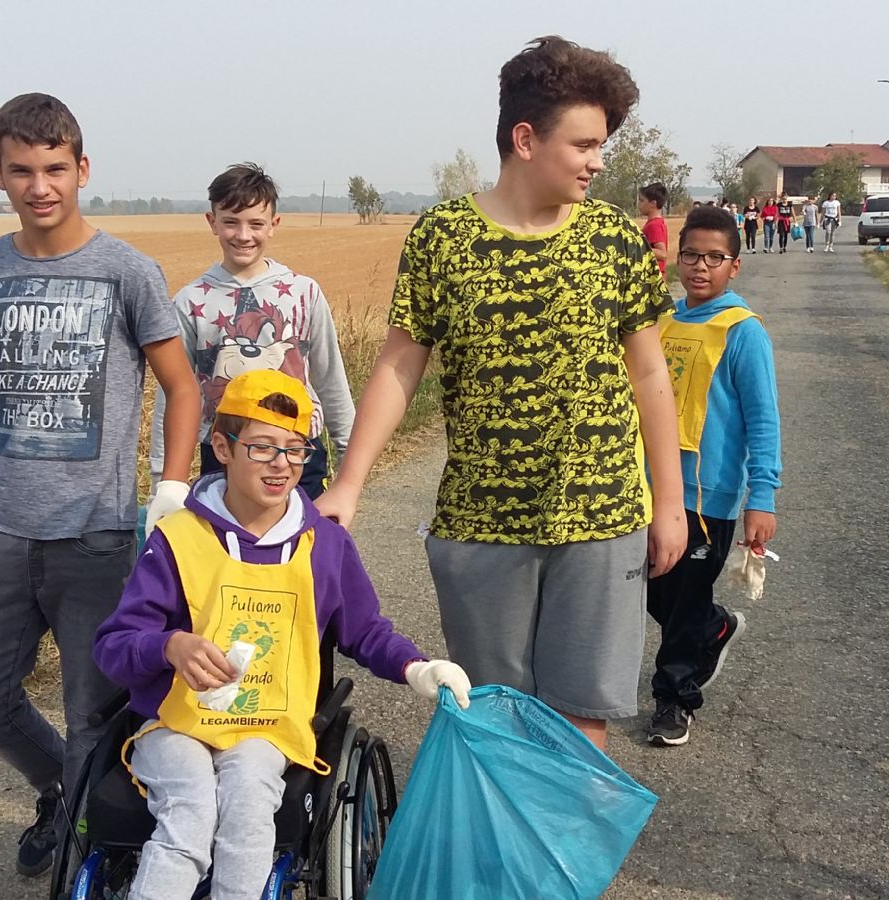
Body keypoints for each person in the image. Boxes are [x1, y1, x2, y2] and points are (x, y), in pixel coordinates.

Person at [316, 35, 687, 752]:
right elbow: (399, 366)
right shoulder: (443, 238)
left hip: (602, 515)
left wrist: (668, 504)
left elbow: (650, 375)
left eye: (601, 145)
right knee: (493, 715)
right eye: (583, 144)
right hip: (481, 522)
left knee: (581, 718)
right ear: (525, 139)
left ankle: (561, 836)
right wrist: (350, 484)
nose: (598, 161)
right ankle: (502, 832)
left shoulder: (614, 239)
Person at [0, 92, 202, 877]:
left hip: (96, 535)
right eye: (22, 170)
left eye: (54, 168)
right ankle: (57, 790)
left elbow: (181, 386)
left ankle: (86, 847)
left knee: (93, 713)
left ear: (82, 169)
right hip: (1, 530)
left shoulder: (127, 271)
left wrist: (172, 486)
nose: (39, 186)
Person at [95, 369, 471, 900]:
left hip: (267, 727)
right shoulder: (177, 539)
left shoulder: (324, 544)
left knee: (250, 808)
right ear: (222, 448)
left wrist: (418, 667)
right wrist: (169, 645)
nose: (282, 465)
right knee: (190, 814)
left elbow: (364, 630)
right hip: (176, 723)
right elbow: (114, 645)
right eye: (263, 448)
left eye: (295, 450)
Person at [646, 206, 781, 746]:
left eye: (714, 258)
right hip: (652, 487)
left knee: (683, 602)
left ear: (735, 266)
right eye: (691, 255)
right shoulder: (662, 321)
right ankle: (714, 627)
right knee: (654, 594)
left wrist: (761, 496)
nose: (700, 267)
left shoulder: (743, 332)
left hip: (710, 495)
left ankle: (675, 698)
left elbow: (763, 417)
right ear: (677, 258)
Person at [149, 163, 355, 499]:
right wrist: (165, 484)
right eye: (230, 222)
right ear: (212, 222)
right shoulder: (190, 301)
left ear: (274, 225)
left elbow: (331, 379)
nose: (243, 235)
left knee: (304, 535)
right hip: (223, 454)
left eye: (256, 224)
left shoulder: (304, 293)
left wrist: (349, 466)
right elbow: (172, 394)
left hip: (298, 451)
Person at [638, 182, 669, 278]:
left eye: (642, 200)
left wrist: (636, 247)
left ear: (653, 204)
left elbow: (662, 254)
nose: (639, 204)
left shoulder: (654, 225)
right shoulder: (656, 223)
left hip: (654, 278)